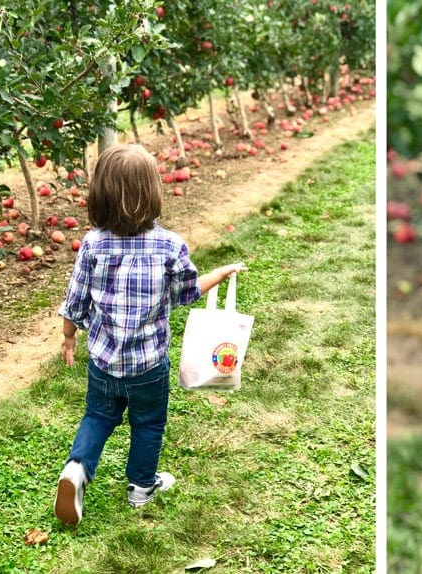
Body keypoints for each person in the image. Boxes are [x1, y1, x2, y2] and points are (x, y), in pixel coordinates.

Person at [53, 143, 246, 527]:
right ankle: (141, 487)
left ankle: (76, 469)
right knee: (148, 424)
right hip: (149, 365)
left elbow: (75, 299)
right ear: (154, 193)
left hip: (104, 361)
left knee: (97, 416)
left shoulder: (92, 244)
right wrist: (220, 273)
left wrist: (69, 336)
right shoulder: (169, 245)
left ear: (100, 196)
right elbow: (186, 293)